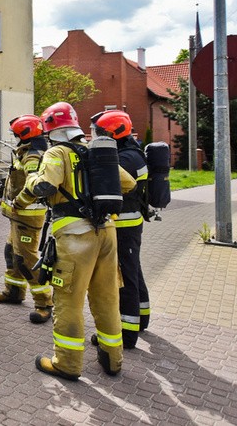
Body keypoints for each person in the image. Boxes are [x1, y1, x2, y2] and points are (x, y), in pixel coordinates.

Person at [14, 101, 135, 380]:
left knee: (68, 300)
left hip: (74, 236)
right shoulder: (95, 152)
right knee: (106, 297)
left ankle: (66, 363)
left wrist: (31, 180)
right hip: (106, 232)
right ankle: (112, 359)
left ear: (50, 129)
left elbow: (45, 186)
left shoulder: (57, 152)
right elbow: (127, 183)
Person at [90, 110, 150, 349]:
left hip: (123, 223)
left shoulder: (125, 159)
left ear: (114, 133)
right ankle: (141, 317)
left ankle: (127, 333)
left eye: (102, 133)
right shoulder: (132, 153)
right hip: (131, 221)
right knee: (134, 271)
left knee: (125, 278)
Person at [0, 115, 53, 324]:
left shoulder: (32, 157)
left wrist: (17, 203)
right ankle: (14, 292)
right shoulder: (25, 152)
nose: (14, 138)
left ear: (24, 134)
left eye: (16, 134)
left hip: (27, 217)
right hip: (18, 217)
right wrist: (8, 201)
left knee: (26, 260)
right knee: (11, 253)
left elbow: (34, 187)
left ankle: (44, 303)